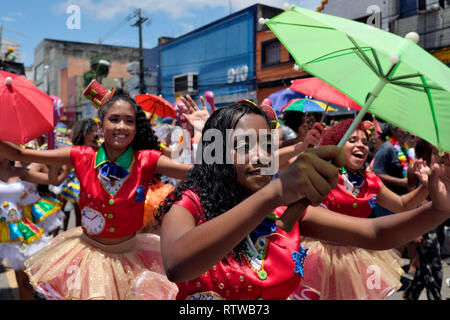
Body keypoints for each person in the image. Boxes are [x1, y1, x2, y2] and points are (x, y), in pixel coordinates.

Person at [127, 102, 450, 300]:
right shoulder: (191, 203)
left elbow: (376, 234)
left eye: (266, 145)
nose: (259, 156)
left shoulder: (286, 211)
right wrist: (274, 194)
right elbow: (178, 266)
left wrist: (438, 210)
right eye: (243, 145)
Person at [0, 82, 191, 300]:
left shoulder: (147, 159)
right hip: (87, 257)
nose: (122, 126)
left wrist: (207, 131)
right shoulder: (81, 156)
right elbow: (22, 155)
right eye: (114, 119)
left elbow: (191, 172)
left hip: (132, 258)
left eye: (129, 121)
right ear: (100, 126)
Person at [290, 119, 431, 299]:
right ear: (337, 144)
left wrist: (426, 186)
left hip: (355, 257)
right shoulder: (321, 173)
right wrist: (304, 148)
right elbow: (286, 168)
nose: (361, 146)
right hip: (317, 256)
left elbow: (402, 205)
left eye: (365, 142)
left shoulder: (371, 181)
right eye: (353, 140)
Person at [0, 155, 66, 300]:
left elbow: (54, 181)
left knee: (24, 281)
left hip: (16, 230)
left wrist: (57, 164)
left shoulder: (20, 172)